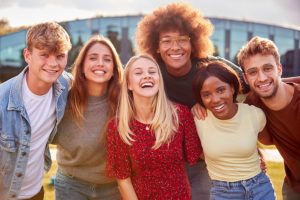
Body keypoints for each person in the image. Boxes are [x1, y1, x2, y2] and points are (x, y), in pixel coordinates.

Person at [135, 2, 244, 199]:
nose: (175, 47)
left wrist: (207, 105)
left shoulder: (208, 67)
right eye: (166, 41)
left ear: (193, 42)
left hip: (205, 162)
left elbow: (249, 82)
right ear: (156, 47)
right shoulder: (152, 72)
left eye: (182, 40)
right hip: (168, 162)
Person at [105, 54, 202, 200]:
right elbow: (123, 180)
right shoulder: (118, 126)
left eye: (152, 72)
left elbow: (200, 155)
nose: (147, 76)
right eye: (138, 73)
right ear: (129, 84)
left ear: (159, 80)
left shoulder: (180, 115)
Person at [0, 22, 72, 200]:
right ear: (27, 55)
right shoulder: (2, 101)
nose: (53, 63)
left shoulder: (65, 85)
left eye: (60, 56)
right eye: (44, 55)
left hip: (36, 193)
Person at [52, 35, 123, 200]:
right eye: (93, 58)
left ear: (113, 68)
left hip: (112, 188)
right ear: (82, 66)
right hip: (71, 184)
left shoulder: (124, 102)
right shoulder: (65, 99)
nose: (100, 63)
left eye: (107, 59)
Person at [192, 61, 275, 199]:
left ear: (232, 88)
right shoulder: (198, 119)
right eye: (206, 94)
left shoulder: (255, 114)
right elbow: (196, 151)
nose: (215, 99)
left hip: (260, 187)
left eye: (220, 90)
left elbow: (263, 141)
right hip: (223, 192)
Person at [237, 36, 300, 200]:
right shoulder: (252, 104)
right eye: (253, 72)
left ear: (279, 69)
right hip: (294, 188)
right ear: (245, 78)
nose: (262, 78)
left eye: (267, 68)